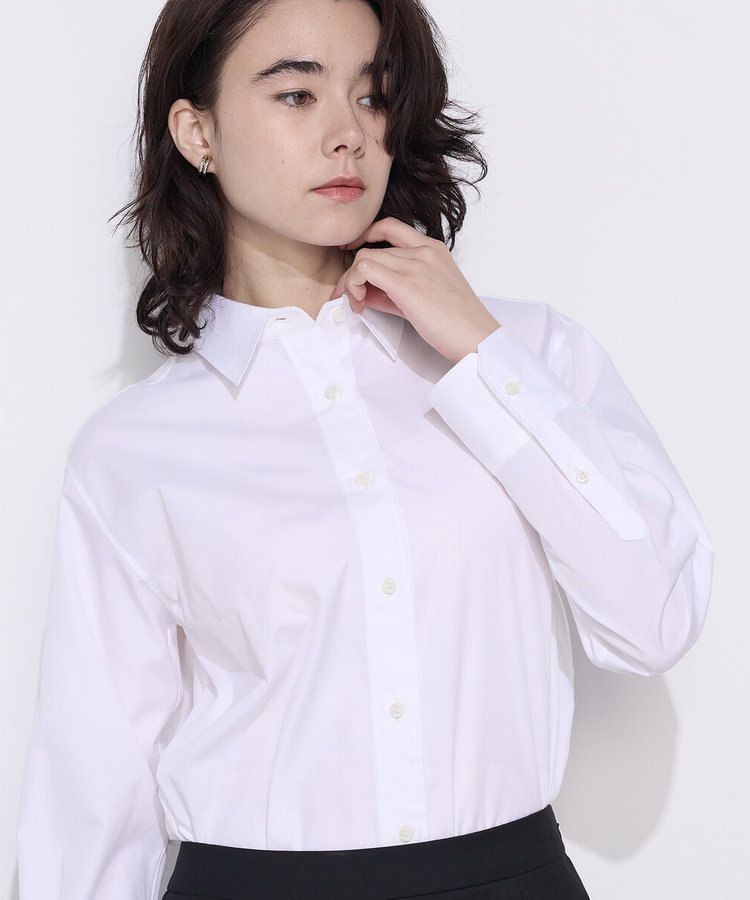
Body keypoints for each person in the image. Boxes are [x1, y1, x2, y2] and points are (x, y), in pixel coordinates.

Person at [17, 0, 713, 897]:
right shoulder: (133, 451)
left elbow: (655, 622)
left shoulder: (532, 355)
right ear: (197, 132)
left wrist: (483, 354)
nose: (348, 133)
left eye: (374, 95)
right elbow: (92, 794)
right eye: (297, 94)